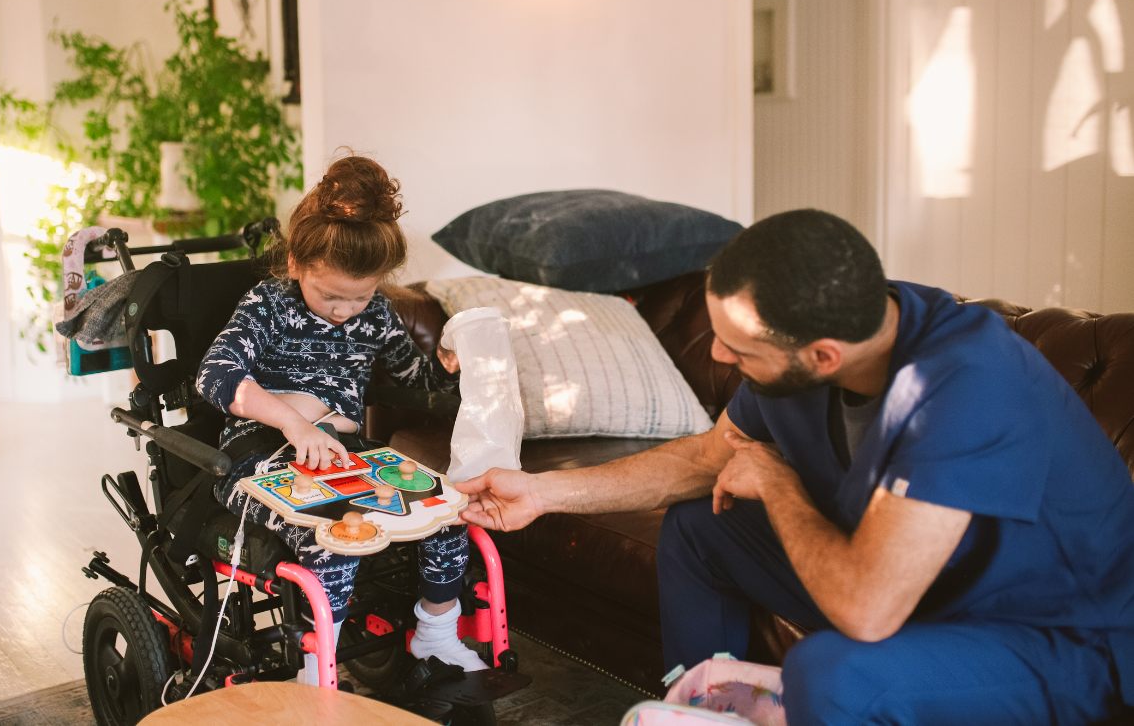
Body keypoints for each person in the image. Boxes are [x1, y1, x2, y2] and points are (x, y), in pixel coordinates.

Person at [456, 209, 1134, 725]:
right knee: (700, 526)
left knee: (830, 674)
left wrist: (778, 483)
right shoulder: (823, 325)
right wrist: (540, 492)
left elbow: (867, 611)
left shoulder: (965, 386)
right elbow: (703, 459)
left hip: (1059, 637)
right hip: (920, 586)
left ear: (823, 357)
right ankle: (698, 710)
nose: (718, 358)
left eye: (738, 350)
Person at [195, 155, 485, 684]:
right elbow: (215, 375)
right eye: (330, 295)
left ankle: (437, 634)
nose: (344, 311)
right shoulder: (269, 304)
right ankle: (315, 668)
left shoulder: (376, 315)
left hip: (346, 455)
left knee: (447, 514)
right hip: (256, 456)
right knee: (335, 536)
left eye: (361, 296)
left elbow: (417, 380)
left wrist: (451, 365)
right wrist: (293, 422)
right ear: (295, 264)